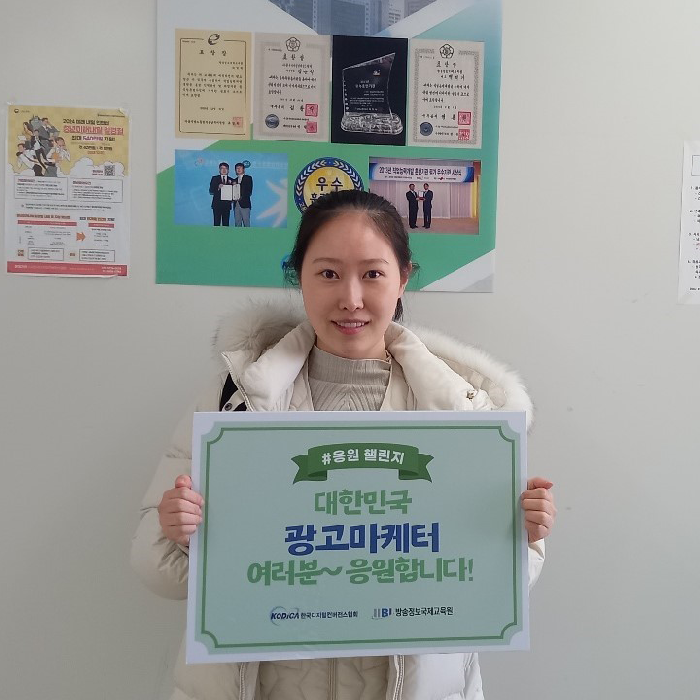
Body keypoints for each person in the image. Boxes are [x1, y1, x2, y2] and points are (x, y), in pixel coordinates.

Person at [131, 189, 556, 700]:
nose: (351, 298)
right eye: (328, 273)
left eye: (372, 274)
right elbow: (160, 573)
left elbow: (495, 588)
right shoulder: (235, 401)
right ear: (299, 276)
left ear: (403, 277)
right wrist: (178, 532)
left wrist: (518, 533)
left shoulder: (464, 413)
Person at [209, 162, 235, 226]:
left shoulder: (232, 180)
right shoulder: (214, 178)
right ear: (219, 170)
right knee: (216, 223)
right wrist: (218, 187)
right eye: (222, 168)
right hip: (217, 205)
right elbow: (211, 190)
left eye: (225, 168)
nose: (224, 170)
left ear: (228, 170)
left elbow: (234, 193)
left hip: (227, 205)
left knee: (226, 224)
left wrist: (233, 197)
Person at [233, 162, 253, 227]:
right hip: (236, 204)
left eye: (240, 168)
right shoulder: (234, 180)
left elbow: (249, 191)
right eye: (237, 168)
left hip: (245, 204)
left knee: (246, 223)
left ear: (244, 169)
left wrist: (240, 196)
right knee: (237, 223)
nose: (238, 169)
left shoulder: (248, 178)